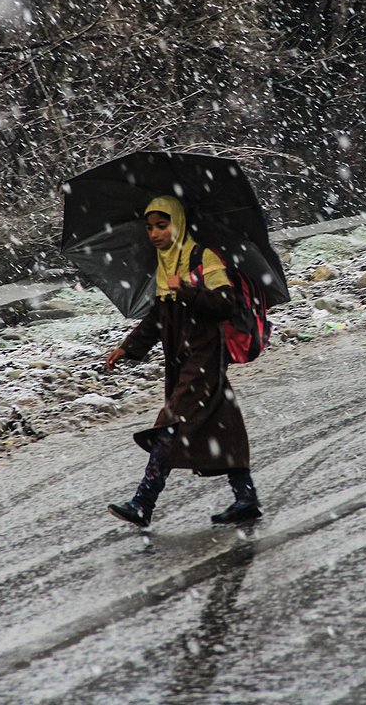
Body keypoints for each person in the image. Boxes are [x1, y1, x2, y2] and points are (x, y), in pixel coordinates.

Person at [104, 195, 262, 527]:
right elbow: (158, 318)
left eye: (162, 226)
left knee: (169, 425)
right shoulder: (164, 266)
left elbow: (226, 303)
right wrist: (127, 347)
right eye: (150, 228)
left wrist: (187, 289)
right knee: (224, 427)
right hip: (181, 360)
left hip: (205, 357)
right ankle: (245, 498)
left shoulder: (203, 258)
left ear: (179, 224)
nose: (155, 234)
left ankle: (143, 503)